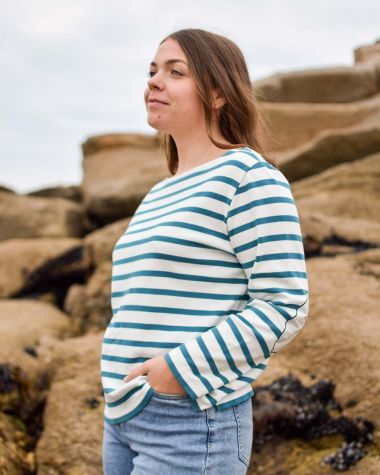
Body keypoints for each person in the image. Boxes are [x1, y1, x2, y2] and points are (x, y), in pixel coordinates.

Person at [101, 28, 309, 474]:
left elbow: (285, 304)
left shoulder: (250, 177)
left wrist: (174, 371)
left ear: (218, 94)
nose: (154, 81)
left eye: (175, 72)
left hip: (191, 421)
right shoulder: (159, 193)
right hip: (122, 413)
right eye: (152, 71)